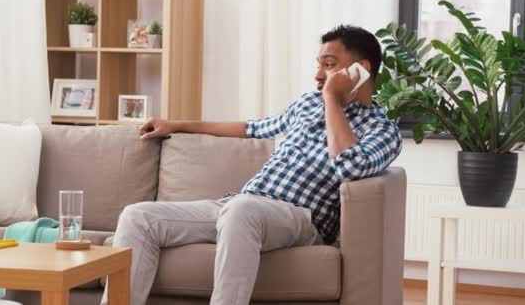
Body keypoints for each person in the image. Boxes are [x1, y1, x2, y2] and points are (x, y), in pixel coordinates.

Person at [101, 25, 402, 305]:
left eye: (329, 64)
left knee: (242, 210)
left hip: (300, 218)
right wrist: (177, 124)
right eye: (319, 64)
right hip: (240, 205)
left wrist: (332, 101)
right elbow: (253, 128)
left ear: (360, 71)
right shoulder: (308, 104)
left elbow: (348, 167)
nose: (318, 76)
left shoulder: (382, 130)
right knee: (138, 216)